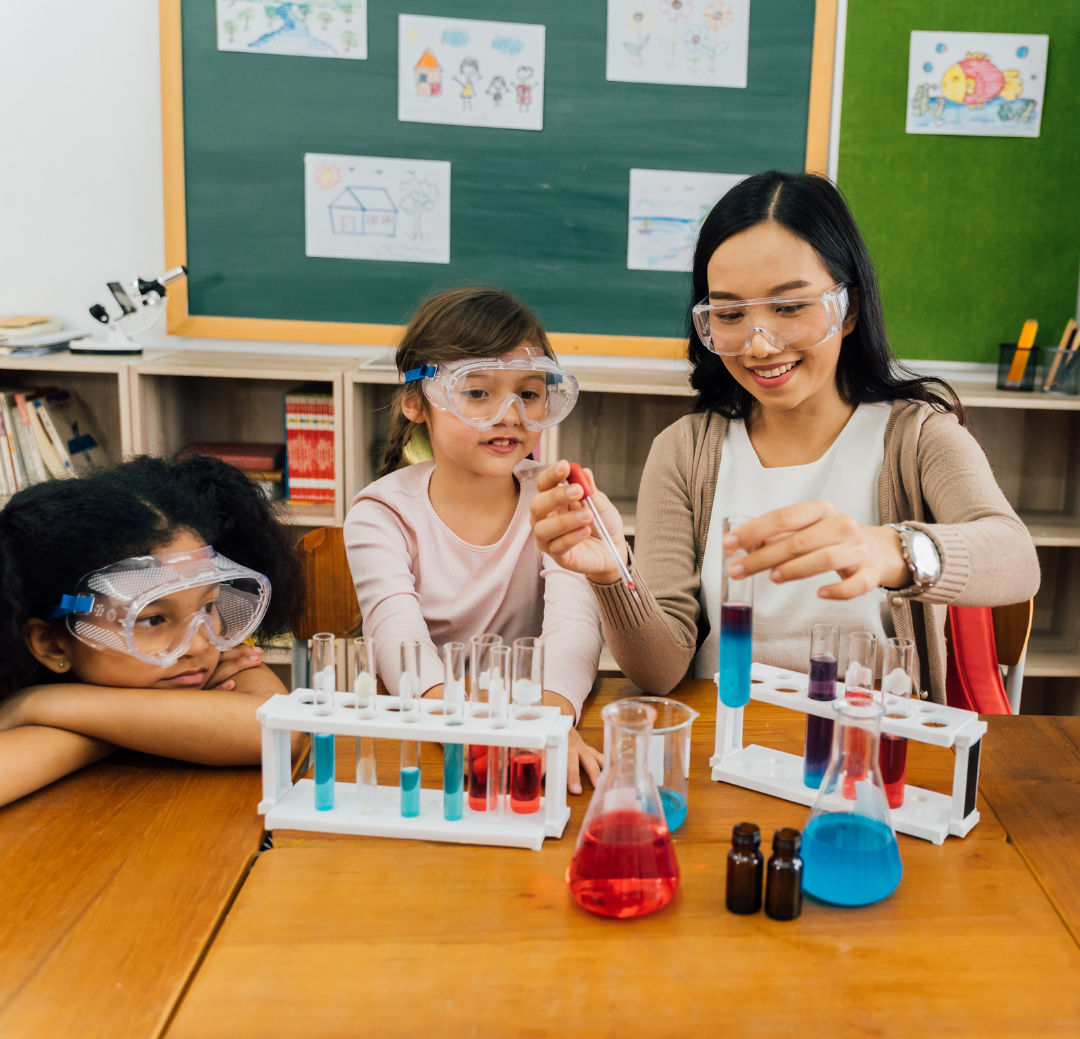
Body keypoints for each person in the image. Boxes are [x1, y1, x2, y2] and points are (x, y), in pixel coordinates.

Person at [530, 171, 1039, 703]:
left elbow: (1015, 560)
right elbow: (658, 672)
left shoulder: (916, 436)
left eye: (790, 307)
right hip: (725, 745)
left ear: (850, 308)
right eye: (729, 314)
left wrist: (889, 548)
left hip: (870, 749)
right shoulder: (684, 452)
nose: (759, 344)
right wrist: (615, 574)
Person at [344, 288, 604, 792]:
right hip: (425, 736)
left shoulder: (558, 499)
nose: (509, 416)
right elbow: (400, 643)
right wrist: (483, 733)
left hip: (532, 720)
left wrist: (549, 724)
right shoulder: (381, 513)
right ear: (418, 403)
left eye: (528, 394)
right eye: (478, 392)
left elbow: (575, 629)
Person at [0, 455, 302, 807]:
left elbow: (277, 732)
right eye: (152, 619)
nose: (200, 644)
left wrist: (38, 705)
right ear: (52, 644)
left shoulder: (205, 648)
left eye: (209, 606)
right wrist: (151, 727)